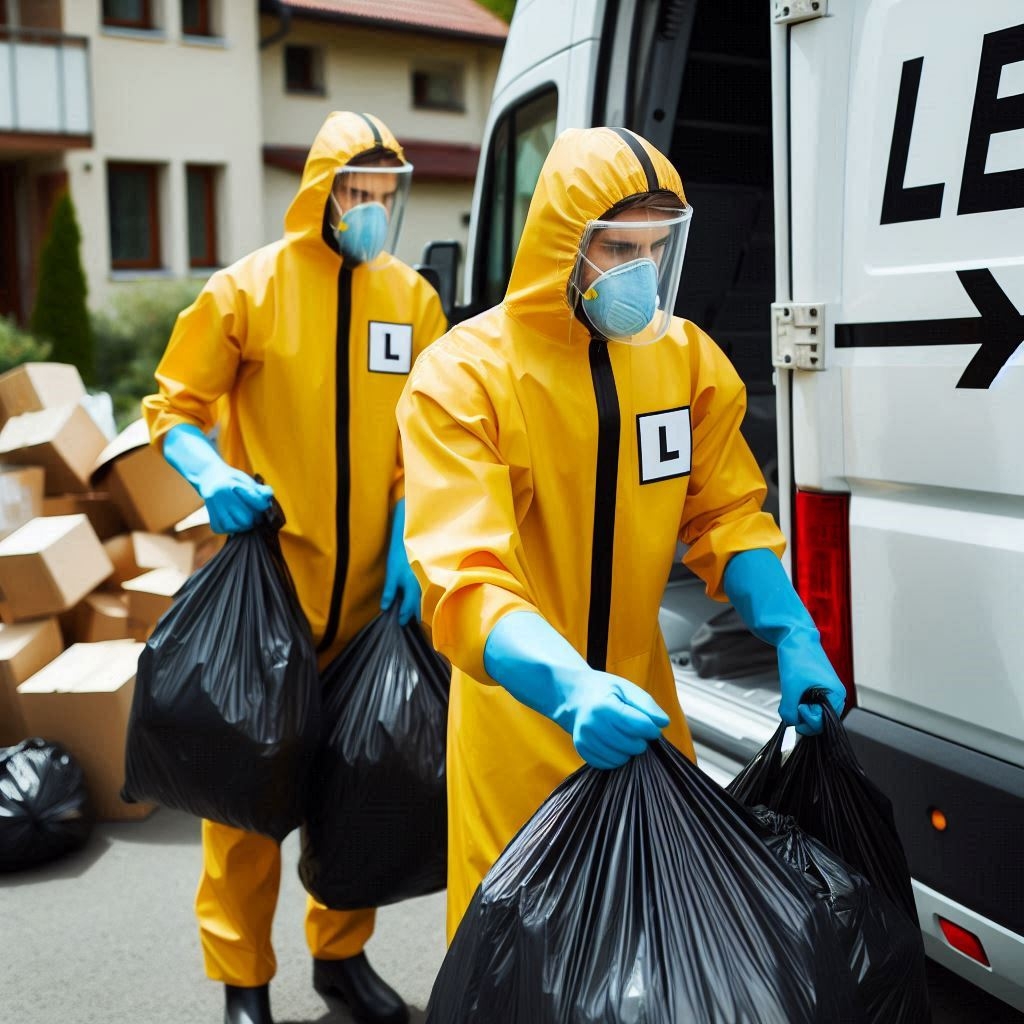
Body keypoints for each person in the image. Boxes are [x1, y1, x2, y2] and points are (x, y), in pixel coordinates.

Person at [395, 126, 848, 940]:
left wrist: (791, 631)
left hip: (643, 706)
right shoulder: (466, 375)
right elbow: (467, 576)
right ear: (562, 244)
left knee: (655, 946)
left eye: (655, 246)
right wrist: (567, 688)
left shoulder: (684, 362)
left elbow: (725, 514)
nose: (638, 271)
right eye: (615, 246)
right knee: (521, 960)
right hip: (519, 717)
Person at [143, 111, 447, 1024]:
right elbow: (174, 409)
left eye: (386, 197)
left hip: (368, 605)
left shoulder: (413, 302)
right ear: (320, 195)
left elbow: (424, 439)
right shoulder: (248, 292)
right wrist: (211, 473)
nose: (373, 213)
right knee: (243, 809)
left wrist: (404, 534)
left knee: (360, 790)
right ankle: (245, 982)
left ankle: (339, 960)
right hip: (270, 601)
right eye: (357, 195)